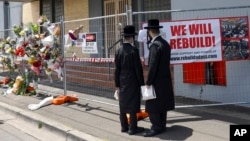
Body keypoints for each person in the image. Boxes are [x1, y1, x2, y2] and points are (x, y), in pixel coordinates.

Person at [143, 19, 175, 137]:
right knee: (163, 103)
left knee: (153, 105)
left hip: (156, 80)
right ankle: (162, 125)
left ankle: (156, 127)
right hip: (165, 79)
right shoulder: (165, 43)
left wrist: (148, 81)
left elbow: (153, 66)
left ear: (150, 31)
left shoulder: (155, 46)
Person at [114, 25, 145, 135]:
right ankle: (133, 128)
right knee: (133, 103)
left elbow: (116, 69)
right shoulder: (134, 50)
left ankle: (124, 126)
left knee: (122, 103)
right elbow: (138, 69)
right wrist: (142, 84)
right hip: (133, 80)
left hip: (122, 80)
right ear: (132, 37)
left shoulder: (118, 51)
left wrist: (116, 84)